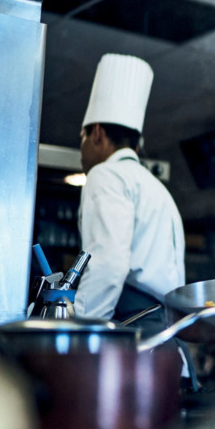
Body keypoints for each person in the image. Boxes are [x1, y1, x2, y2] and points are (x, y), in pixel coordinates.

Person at [75, 53, 186, 328]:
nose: (82, 150)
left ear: (97, 133)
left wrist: (82, 331)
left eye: (82, 138)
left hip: (132, 333)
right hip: (164, 334)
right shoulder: (157, 188)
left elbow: (107, 265)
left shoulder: (106, 175)